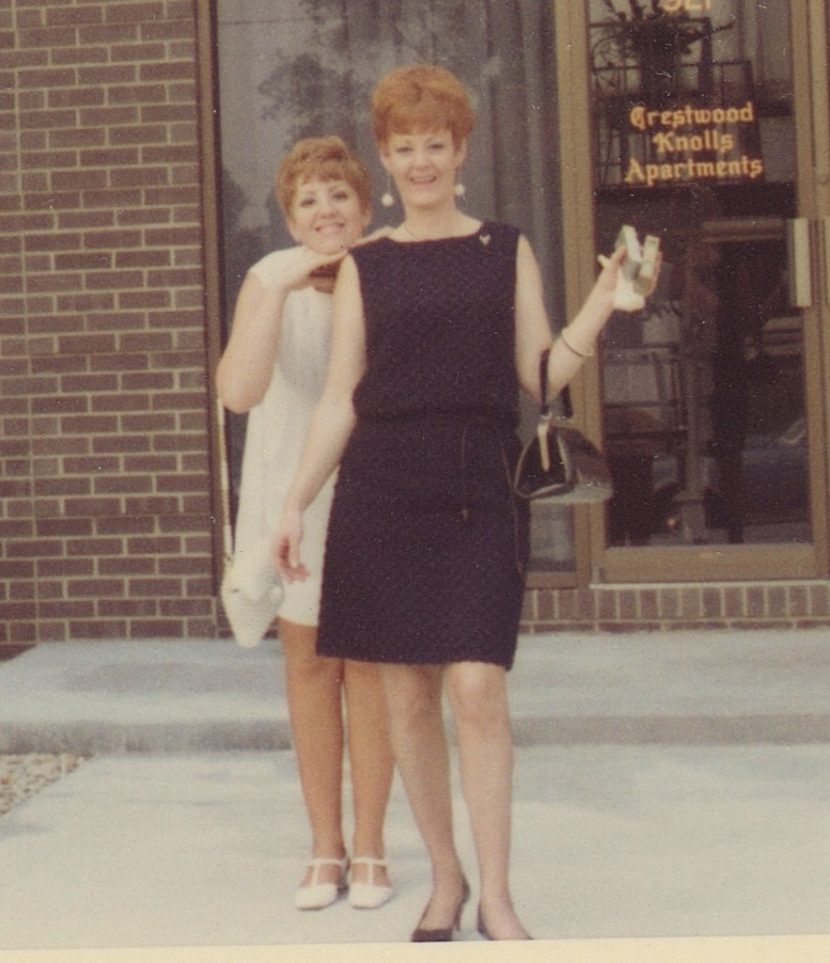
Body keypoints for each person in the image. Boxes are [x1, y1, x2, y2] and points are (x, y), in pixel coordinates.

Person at [274, 66, 657, 941]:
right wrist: (296, 501)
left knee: (478, 688)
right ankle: (444, 881)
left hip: (478, 484)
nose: (419, 163)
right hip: (382, 486)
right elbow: (339, 398)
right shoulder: (365, 267)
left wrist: (604, 301)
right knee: (407, 694)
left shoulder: (504, 248)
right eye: (403, 149)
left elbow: (539, 374)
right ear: (385, 154)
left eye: (434, 146)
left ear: (461, 150)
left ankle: (500, 893)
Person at [216, 136, 395, 912]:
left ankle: (374, 847)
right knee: (312, 666)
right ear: (290, 218)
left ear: (365, 204)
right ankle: (325, 845)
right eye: (309, 200)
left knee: (373, 672)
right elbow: (240, 390)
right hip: (293, 492)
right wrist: (279, 285)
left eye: (339, 194)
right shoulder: (269, 277)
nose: (327, 209)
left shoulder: (391, 269)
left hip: (377, 490)